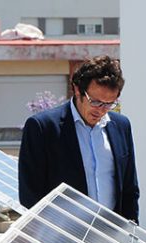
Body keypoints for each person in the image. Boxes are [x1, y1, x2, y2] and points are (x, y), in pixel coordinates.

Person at [18, 55, 139, 222]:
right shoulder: (42, 128)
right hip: (61, 238)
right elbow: (30, 195)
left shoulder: (121, 126)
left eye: (109, 103)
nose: (101, 110)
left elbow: (129, 189)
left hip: (109, 237)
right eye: (95, 102)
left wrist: (128, 236)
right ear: (77, 89)